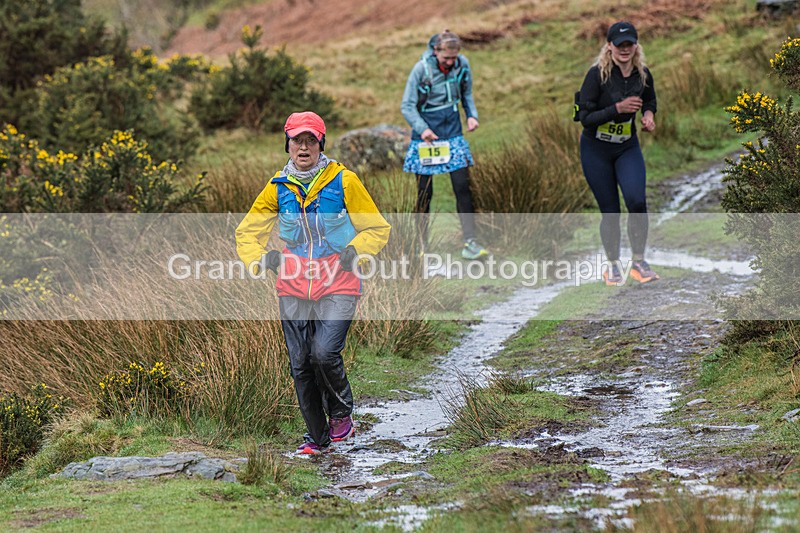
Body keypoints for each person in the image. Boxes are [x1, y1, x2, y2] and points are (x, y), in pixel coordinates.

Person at [236, 111, 391, 455]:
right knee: (301, 363)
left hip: (339, 280)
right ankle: (316, 438)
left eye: (310, 140)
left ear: (321, 144)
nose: (303, 147)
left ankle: (341, 412)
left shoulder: (344, 181)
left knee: (323, 352)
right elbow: (247, 231)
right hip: (293, 284)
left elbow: (377, 228)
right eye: (296, 141)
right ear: (287, 145)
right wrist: (262, 259)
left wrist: (356, 251)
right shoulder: (278, 187)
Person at [576, 21, 660, 285]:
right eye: (619, 44)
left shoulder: (642, 73)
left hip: (627, 147)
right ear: (609, 46)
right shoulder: (596, 75)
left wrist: (648, 116)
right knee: (610, 211)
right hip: (596, 150)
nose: (625, 49)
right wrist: (618, 108)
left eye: (629, 44)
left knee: (636, 201)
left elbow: (650, 100)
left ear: (636, 46)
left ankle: (638, 262)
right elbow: (584, 117)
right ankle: (612, 265)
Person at [401, 30, 488, 260]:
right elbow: (407, 106)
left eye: (454, 57)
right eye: (446, 58)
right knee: (424, 193)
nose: (450, 62)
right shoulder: (421, 69)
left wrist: (472, 115)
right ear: (435, 51)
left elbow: (466, 93)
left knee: (462, 186)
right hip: (426, 137)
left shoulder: (462, 65)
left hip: (453, 133)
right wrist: (423, 129)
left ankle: (470, 242)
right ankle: (422, 246)